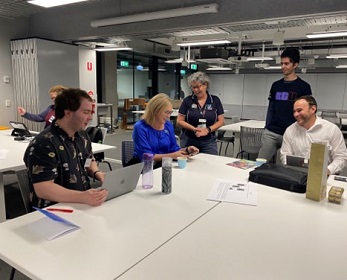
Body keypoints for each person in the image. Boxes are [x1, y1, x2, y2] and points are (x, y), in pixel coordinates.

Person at [24, 88, 108, 208]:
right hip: (54, 211)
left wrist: (97, 173)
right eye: (85, 112)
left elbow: (89, 159)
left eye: (91, 113)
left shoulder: (82, 135)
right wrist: (82, 197)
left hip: (82, 203)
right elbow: (43, 189)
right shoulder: (44, 144)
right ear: (68, 113)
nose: (90, 117)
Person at [258, 48, 312, 162]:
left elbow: (306, 112)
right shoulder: (276, 85)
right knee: (260, 162)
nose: (283, 66)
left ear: (295, 65)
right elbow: (271, 107)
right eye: (282, 63)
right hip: (272, 132)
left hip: (293, 133)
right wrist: (267, 127)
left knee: (288, 166)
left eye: (286, 64)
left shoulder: (304, 87)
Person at [280, 95, 347, 175]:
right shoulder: (290, 130)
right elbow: (284, 156)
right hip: (297, 176)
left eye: (299, 110)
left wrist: (327, 170)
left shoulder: (331, 129)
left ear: (313, 109)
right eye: (294, 111)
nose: (296, 114)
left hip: (325, 176)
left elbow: (341, 157)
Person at [131, 93, 199, 167]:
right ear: (155, 111)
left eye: (170, 112)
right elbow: (146, 156)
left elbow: (174, 148)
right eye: (166, 112)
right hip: (144, 167)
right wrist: (172, 156)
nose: (168, 116)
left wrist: (186, 150)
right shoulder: (140, 127)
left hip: (165, 164)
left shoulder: (167, 125)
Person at [177, 71, 224, 155]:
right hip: (189, 140)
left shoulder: (215, 100)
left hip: (208, 141)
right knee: (188, 164)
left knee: (211, 163)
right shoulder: (188, 100)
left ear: (205, 85)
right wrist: (194, 129)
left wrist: (208, 130)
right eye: (193, 87)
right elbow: (180, 121)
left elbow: (221, 121)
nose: (195, 90)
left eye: (198, 87)